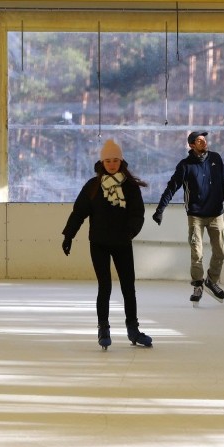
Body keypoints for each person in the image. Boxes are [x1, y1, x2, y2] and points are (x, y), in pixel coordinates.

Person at [61, 138, 153, 350]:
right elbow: (79, 213)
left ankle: (133, 329)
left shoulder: (129, 187)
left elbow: (137, 214)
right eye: (108, 161)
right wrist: (69, 235)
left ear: (121, 162)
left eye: (115, 160)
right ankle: (103, 328)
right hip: (99, 243)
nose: (112, 164)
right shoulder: (93, 187)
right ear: (102, 162)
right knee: (105, 287)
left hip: (122, 243)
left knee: (128, 287)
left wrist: (130, 231)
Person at [152, 131, 224, 307]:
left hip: (216, 213)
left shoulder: (216, 158)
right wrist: (160, 210)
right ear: (191, 145)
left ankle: (211, 281)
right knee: (197, 252)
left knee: (221, 250)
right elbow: (171, 187)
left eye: (204, 139)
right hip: (196, 215)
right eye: (199, 140)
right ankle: (197, 285)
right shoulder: (185, 165)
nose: (203, 141)